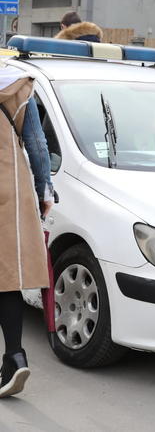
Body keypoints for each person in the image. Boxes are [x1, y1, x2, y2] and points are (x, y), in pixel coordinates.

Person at [0, 66, 54, 399]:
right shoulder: (16, 83)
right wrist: (44, 190)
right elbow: (36, 144)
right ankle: (14, 356)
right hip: (9, 188)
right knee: (7, 276)